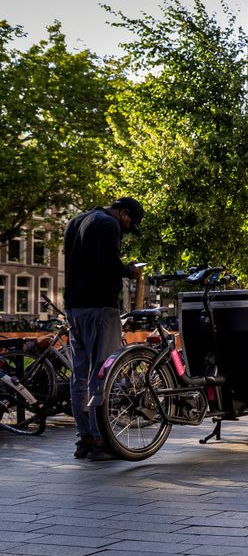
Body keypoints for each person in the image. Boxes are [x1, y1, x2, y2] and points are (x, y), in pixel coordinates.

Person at [64, 197, 144, 460]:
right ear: (124, 213)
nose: (126, 232)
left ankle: (84, 438)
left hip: (74, 307)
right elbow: (107, 266)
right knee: (103, 373)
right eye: (129, 225)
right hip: (100, 307)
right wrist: (129, 270)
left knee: (79, 376)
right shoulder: (109, 225)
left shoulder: (75, 222)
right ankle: (101, 441)